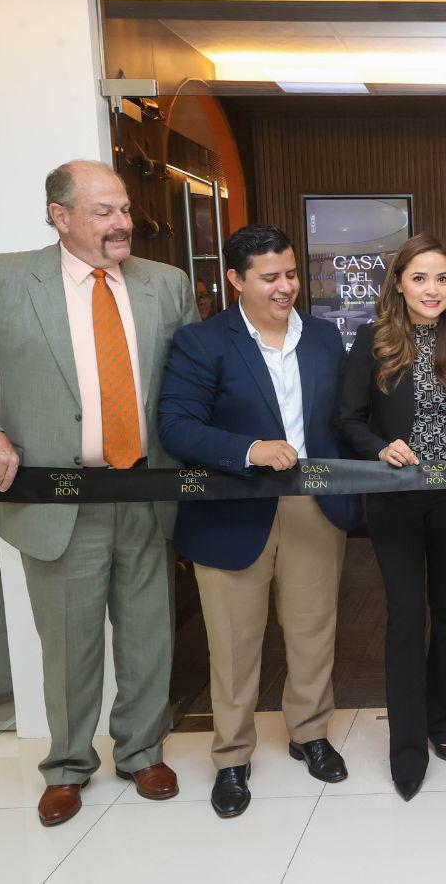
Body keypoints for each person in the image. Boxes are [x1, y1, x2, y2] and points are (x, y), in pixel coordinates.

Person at [0, 160, 198, 826]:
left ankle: (141, 752)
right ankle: (69, 766)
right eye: (104, 211)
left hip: (145, 491)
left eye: (125, 209)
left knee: (148, 636)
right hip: (56, 499)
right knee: (69, 643)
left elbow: (190, 383)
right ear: (61, 216)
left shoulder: (167, 284)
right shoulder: (4, 278)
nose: (123, 222)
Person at [158, 224, 360, 819]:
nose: (285, 287)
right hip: (230, 510)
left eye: (291, 274)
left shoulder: (324, 338)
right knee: (234, 644)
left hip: (312, 509)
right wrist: (251, 449)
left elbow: (345, 419)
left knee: (312, 631)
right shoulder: (202, 342)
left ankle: (310, 734)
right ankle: (232, 758)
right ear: (235, 280)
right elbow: (177, 426)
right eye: (270, 277)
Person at [335, 233, 446, 802]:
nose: (433, 289)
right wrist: (378, 447)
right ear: (399, 283)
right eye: (421, 277)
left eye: (443, 278)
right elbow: (347, 419)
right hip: (395, 502)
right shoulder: (372, 343)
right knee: (406, 617)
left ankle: (443, 723)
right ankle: (406, 748)